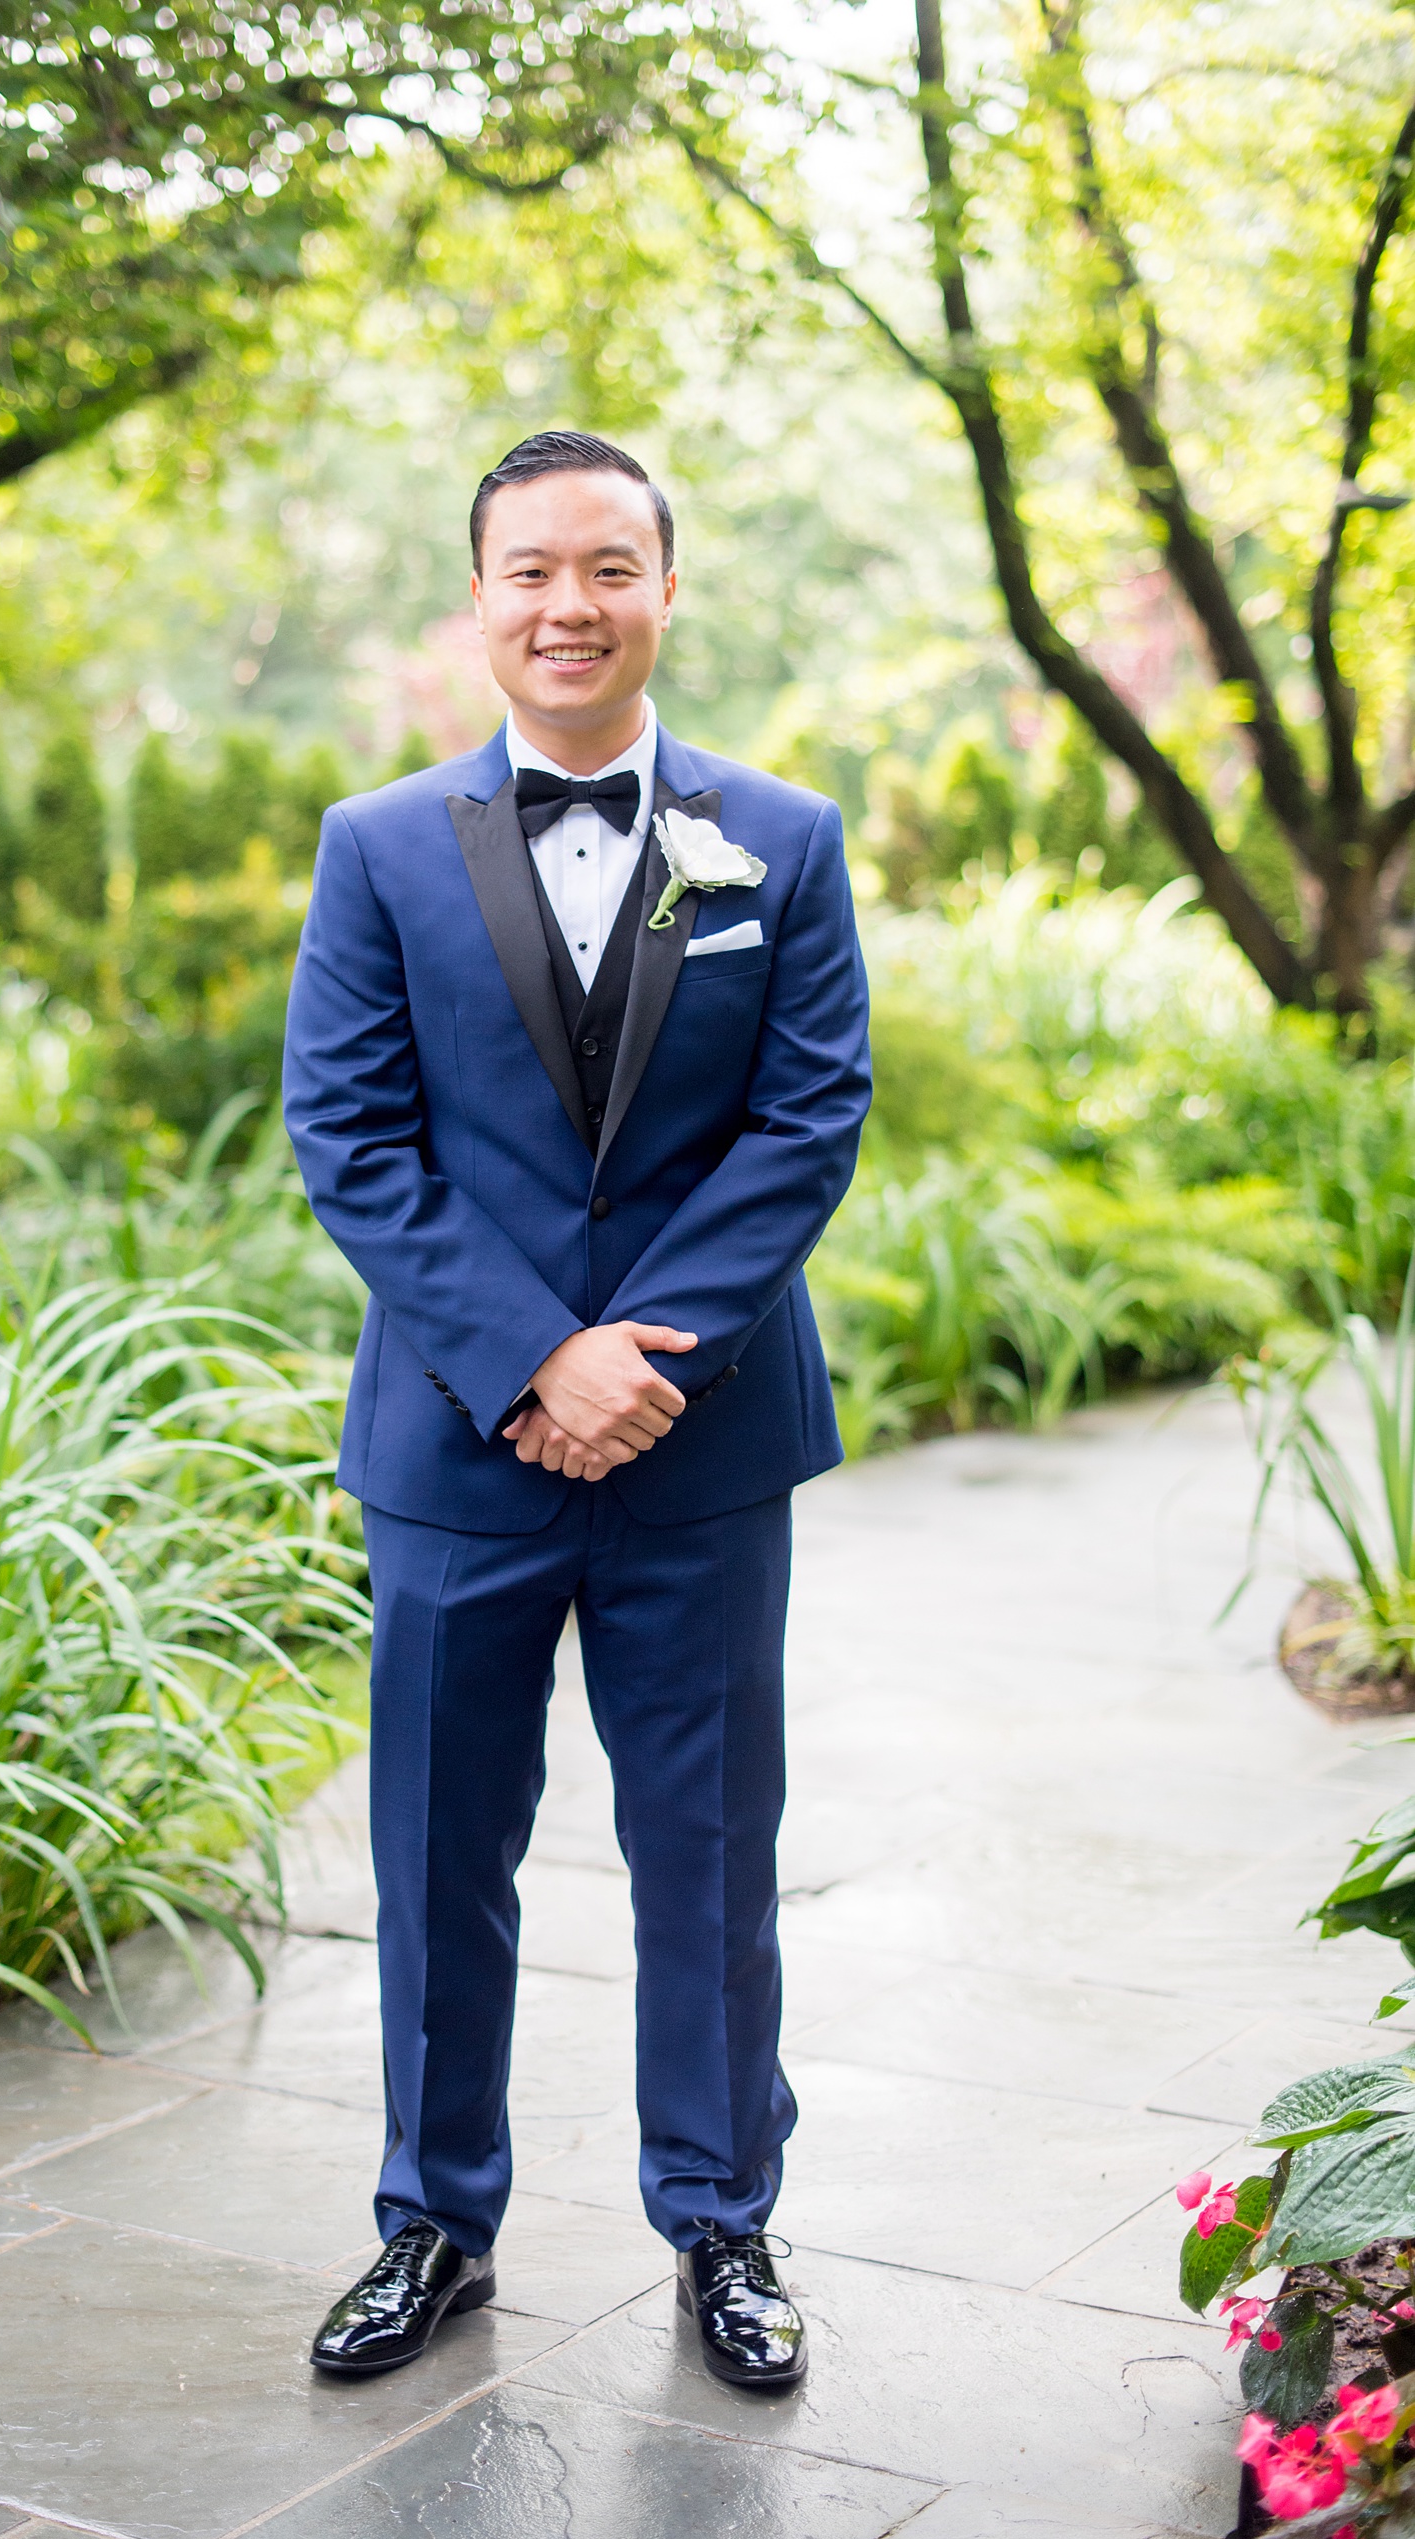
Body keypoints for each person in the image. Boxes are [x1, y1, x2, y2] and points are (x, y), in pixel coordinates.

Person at [282, 429, 872, 2389]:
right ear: (479, 598)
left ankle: (724, 2226)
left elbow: (808, 1118)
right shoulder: (375, 847)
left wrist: (646, 1355)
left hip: (703, 1452)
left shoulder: (777, 840)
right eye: (530, 570)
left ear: (664, 590)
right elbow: (350, 1136)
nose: (567, 604)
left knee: (708, 1845)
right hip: (460, 1447)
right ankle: (431, 2220)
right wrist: (541, 1356)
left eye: (606, 567)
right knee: (441, 1846)